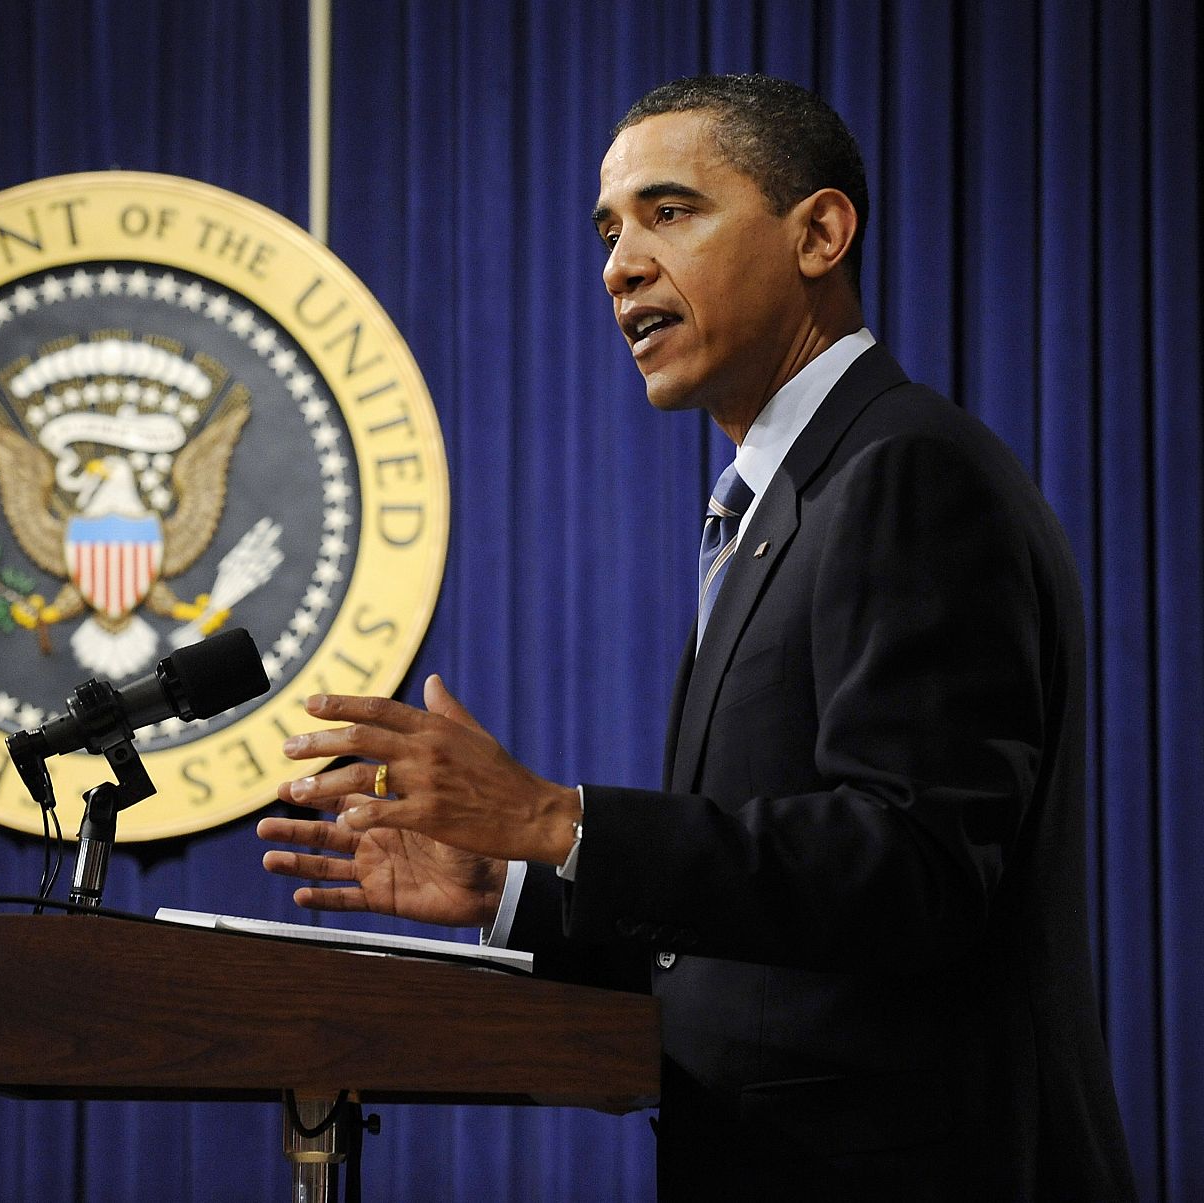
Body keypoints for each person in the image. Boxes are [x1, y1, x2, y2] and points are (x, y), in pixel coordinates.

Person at [258, 74, 1134, 1199]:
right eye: (609, 230)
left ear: (818, 233)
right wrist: (516, 882)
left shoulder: (904, 472)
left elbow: (914, 873)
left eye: (668, 213)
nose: (620, 263)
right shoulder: (774, 506)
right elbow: (767, 949)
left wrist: (558, 818)